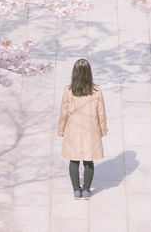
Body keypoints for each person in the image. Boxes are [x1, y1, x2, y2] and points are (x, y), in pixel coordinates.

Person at [57, 58, 107, 199]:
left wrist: (61, 129)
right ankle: (86, 190)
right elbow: (101, 112)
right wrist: (103, 129)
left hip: (73, 131)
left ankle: (76, 190)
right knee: (88, 160)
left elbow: (63, 112)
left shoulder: (69, 91)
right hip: (90, 130)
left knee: (73, 160)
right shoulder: (96, 91)